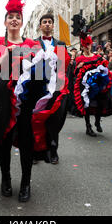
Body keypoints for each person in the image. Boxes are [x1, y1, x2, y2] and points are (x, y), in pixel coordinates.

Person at [0, 0, 59, 203]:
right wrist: (6, 55)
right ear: (5, 22)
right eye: (10, 17)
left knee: (27, 141)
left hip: (26, 102)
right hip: (2, 100)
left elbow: (42, 72)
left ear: (21, 21)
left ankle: (26, 183)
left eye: (17, 17)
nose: (14, 20)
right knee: (4, 141)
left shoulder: (32, 44)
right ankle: (6, 179)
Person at [34, 13, 70, 165]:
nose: (47, 24)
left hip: (55, 87)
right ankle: (36, 151)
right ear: (40, 26)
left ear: (53, 25)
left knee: (55, 119)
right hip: (37, 86)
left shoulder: (60, 44)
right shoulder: (33, 43)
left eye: (50, 22)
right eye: (44, 22)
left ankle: (53, 149)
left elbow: (64, 66)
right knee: (36, 118)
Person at [74, 34, 112, 137]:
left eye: (89, 44)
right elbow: (75, 73)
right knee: (87, 105)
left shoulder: (97, 56)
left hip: (98, 84)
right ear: (82, 47)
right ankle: (88, 126)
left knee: (100, 103)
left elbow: (105, 68)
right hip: (86, 86)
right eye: (85, 45)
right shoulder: (80, 59)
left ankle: (97, 122)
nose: (87, 47)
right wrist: (78, 67)